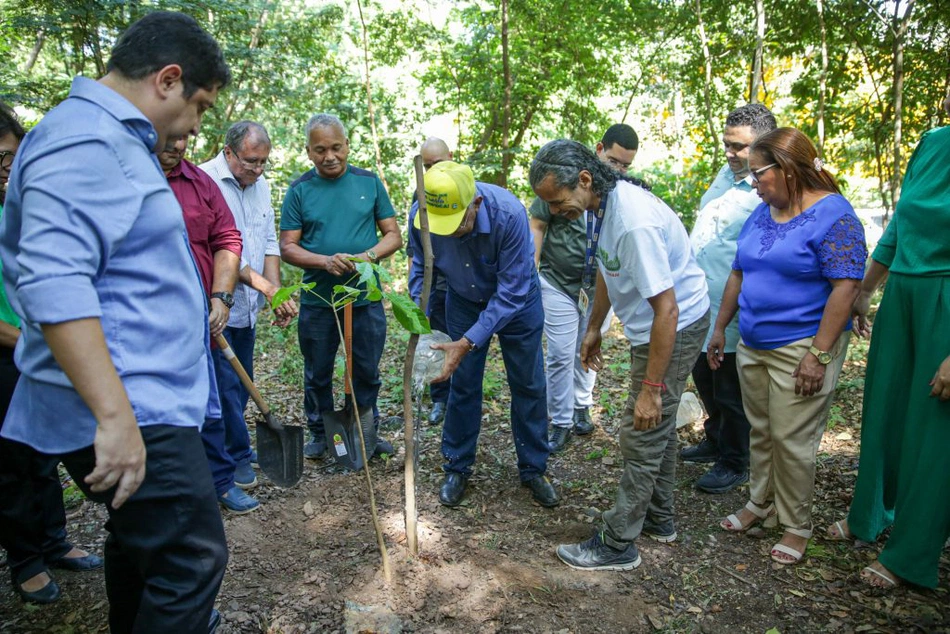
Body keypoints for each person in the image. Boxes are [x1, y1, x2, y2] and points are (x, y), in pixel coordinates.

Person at [0, 12, 230, 631]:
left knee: (143, 542)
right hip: (130, 401)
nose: (196, 124)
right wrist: (114, 415)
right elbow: (53, 282)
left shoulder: (112, 137)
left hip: (144, 394)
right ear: (168, 79)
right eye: (200, 106)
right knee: (190, 557)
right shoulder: (83, 139)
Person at [531, 140, 710, 571]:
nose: (554, 212)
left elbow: (668, 309)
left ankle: (618, 542)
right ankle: (658, 517)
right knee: (658, 428)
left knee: (642, 427)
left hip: (674, 327)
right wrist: (594, 326)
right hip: (656, 326)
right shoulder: (602, 206)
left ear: (586, 180)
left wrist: (652, 388)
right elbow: (607, 267)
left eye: (558, 201)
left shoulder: (632, 221)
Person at [711, 128, 866, 566]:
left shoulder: (834, 216)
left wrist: (818, 355)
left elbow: (846, 287)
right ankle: (760, 502)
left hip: (802, 347)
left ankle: (796, 524)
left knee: (792, 438)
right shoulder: (764, 210)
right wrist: (721, 328)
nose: (753, 182)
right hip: (754, 341)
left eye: (758, 173)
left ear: (787, 169)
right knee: (760, 428)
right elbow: (739, 272)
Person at [825, 95, 950, 590]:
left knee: (934, 430)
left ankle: (913, 553)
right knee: (885, 410)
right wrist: (864, 288)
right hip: (902, 293)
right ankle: (869, 517)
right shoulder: (934, 141)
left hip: (947, 300)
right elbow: (899, 222)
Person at [409, 161, 558, 508]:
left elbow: (511, 292)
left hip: (517, 302)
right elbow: (421, 264)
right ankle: (457, 466)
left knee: (529, 384)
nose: (448, 234)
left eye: (457, 223)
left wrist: (468, 341)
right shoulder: (422, 215)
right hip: (463, 300)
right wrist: (422, 315)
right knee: (462, 383)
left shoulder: (509, 214)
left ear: (475, 203)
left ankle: (534, 467)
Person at [0, 103, 103, 605]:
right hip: (12, 354)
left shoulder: (20, 206)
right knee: (12, 462)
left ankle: (55, 541)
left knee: (48, 451)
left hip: (39, 347)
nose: (6, 169)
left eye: (10, 158)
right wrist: (38, 342)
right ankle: (25, 562)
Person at [280, 114, 402, 459]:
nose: (329, 156)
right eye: (320, 150)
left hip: (365, 296)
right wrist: (324, 261)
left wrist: (366, 257)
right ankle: (321, 433)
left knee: (366, 367)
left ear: (347, 145)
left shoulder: (369, 182)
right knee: (318, 369)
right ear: (308, 151)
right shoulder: (299, 189)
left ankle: (367, 430)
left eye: (336, 147)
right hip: (319, 299)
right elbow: (287, 246)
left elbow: (393, 235)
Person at [159, 134, 263, 514]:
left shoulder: (197, 183)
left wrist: (221, 296)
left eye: (184, 136)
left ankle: (220, 480)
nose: (178, 144)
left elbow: (227, 237)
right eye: (169, 136)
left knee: (211, 399)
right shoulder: (125, 178)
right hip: (148, 323)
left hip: (200, 315)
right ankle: (175, 488)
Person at [680, 104, 777, 494]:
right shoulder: (726, 173)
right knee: (704, 376)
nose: (731, 154)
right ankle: (716, 437)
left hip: (735, 307)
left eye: (740, 147)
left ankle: (735, 459)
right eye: (727, 145)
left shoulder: (768, 186)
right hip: (701, 300)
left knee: (731, 387)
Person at [529, 124, 638, 452]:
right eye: (615, 161)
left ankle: (581, 406)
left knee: (589, 346)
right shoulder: (564, 176)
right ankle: (560, 420)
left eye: (625, 166)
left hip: (598, 287)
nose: (618, 170)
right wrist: (531, 273)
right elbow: (537, 225)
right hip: (558, 281)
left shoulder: (620, 195)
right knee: (562, 354)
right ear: (600, 149)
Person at [200, 121, 298, 486]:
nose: (257, 170)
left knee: (243, 381)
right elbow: (220, 248)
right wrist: (268, 289)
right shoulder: (204, 181)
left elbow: (269, 241)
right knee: (225, 383)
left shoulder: (261, 185)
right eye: (250, 162)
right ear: (228, 153)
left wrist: (274, 292)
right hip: (218, 304)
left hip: (248, 307)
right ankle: (234, 457)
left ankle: (233, 444)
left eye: (263, 163)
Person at [412, 137, 453, 424]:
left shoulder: (465, 188)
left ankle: (462, 399)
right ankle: (440, 399)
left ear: (451, 157)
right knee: (437, 343)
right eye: (427, 167)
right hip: (437, 288)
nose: (433, 171)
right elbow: (415, 253)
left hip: (466, 289)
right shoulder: (420, 197)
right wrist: (418, 300)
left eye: (437, 164)